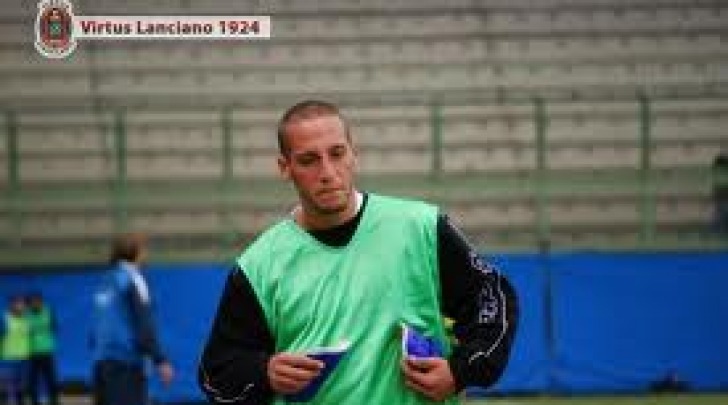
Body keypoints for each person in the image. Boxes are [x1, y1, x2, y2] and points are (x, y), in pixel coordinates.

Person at [198, 100, 519, 404]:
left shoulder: (421, 228)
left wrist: (458, 371)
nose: (327, 172)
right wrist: (264, 372)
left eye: (337, 154)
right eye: (309, 160)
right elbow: (216, 373)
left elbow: (492, 299)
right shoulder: (259, 266)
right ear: (285, 168)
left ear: (354, 155)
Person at [91, 233, 174, 405]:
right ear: (136, 253)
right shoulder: (133, 278)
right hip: (126, 363)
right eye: (143, 249)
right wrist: (160, 359)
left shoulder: (105, 280)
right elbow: (144, 321)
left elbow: (97, 328)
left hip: (101, 364)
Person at [27, 292, 60, 405]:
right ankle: (35, 401)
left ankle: (54, 401)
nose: (35, 303)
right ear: (30, 303)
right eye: (32, 301)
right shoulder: (27, 314)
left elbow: (55, 327)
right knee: (32, 382)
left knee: (51, 380)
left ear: (41, 301)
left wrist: (41, 330)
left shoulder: (49, 312)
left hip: (47, 352)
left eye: (37, 301)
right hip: (32, 353)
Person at [1, 294, 31, 405]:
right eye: (18, 303)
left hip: (24, 359)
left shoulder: (27, 319)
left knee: (22, 389)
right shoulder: (4, 319)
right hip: (8, 359)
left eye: (23, 304)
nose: (21, 306)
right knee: (6, 388)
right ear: (11, 305)